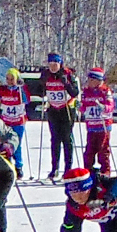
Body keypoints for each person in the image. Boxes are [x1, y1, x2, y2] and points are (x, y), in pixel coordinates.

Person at [37, 53, 78, 181]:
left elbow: (75, 92)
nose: (53, 66)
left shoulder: (67, 74)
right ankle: (54, 168)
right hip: (53, 109)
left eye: (56, 64)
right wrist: (41, 83)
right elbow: (39, 91)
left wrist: (66, 83)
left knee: (66, 139)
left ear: (60, 64)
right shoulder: (46, 74)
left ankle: (68, 168)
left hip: (67, 109)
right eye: (51, 64)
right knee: (55, 139)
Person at [0, 68, 31, 180]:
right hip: (6, 122)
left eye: (12, 79)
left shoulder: (20, 90)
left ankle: (19, 167)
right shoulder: (3, 89)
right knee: (4, 144)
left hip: (18, 122)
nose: (9, 81)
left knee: (17, 145)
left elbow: (27, 100)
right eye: (8, 79)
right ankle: (7, 164)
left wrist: (21, 87)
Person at [79, 67, 115, 173]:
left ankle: (105, 171)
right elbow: (84, 108)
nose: (89, 82)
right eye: (88, 80)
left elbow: (110, 106)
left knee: (103, 150)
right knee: (89, 151)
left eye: (92, 80)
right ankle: (88, 170)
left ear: (98, 80)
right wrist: (80, 107)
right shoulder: (86, 92)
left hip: (103, 126)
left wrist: (104, 108)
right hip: (91, 126)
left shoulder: (105, 91)